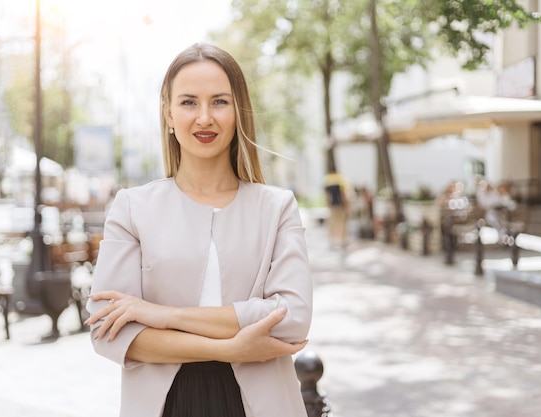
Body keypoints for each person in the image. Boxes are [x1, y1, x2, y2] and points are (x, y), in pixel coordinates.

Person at [85, 43, 312, 417]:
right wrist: (228, 349)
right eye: (189, 102)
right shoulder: (132, 207)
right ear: (168, 114)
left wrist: (162, 315)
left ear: (238, 112)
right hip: (165, 405)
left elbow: (292, 318)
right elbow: (109, 331)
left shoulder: (277, 206)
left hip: (263, 403)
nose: (204, 117)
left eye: (219, 102)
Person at [323, 165, 350, 248]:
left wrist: (328, 204)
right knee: (342, 222)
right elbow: (343, 194)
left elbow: (327, 195)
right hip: (339, 204)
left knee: (331, 222)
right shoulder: (340, 178)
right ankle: (343, 240)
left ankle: (332, 240)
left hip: (332, 204)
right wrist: (345, 204)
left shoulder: (327, 179)